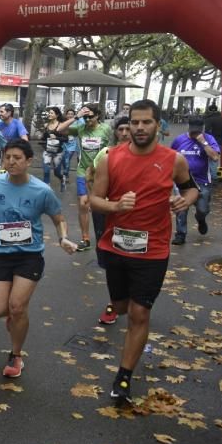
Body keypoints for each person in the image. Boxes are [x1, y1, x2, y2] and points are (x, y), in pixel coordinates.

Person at [89, 99, 199, 405]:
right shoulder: (110, 158)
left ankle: (123, 376)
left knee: (140, 313)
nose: (139, 128)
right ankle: (118, 310)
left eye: (146, 122)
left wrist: (186, 201)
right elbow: (94, 200)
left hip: (153, 250)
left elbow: (192, 188)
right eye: (135, 122)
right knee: (121, 306)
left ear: (158, 126)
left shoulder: (173, 159)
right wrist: (115, 205)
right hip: (116, 245)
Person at [0, 140, 77, 378]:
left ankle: (16, 354)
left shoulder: (42, 190)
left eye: (17, 158)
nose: (11, 162)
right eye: (7, 157)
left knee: (17, 307)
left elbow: (58, 217)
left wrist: (63, 238)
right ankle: (14, 317)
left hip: (28, 255)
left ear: (29, 161)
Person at [56, 102, 111, 250]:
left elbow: (115, 148)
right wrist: (76, 117)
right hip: (82, 171)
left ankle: (105, 236)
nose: (87, 121)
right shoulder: (80, 128)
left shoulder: (106, 129)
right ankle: (85, 239)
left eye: (90, 117)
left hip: (101, 173)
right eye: (85, 118)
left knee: (102, 207)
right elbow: (60, 129)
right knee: (83, 204)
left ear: (98, 116)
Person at [93, 116, 132, 325]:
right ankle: (115, 300)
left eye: (128, 128)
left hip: (134, 216)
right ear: (115, 132)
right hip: (107, 212)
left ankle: (129, 300)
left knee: (131, 256)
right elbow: (91, 176)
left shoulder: (144, 156)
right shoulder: (105, 154)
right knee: (110, 257)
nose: (125, 133)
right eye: (121, 129)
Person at [170, 116, 220, 245]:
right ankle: (180, 235)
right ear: (188, 127)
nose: (195, 133)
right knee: (181, 207)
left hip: (202, 181)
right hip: (183, 181)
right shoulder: (179, 140)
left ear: (203, 128)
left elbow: (215, 157)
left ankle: (201, 219)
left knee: (203, 209)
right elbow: (170, 157)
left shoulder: (208, 139)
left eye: (198, 130)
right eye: (193, 130)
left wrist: (203, 142)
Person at [40, 107, 67, 191]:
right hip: (47, 151)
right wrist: (42, 136)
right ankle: (46, 189)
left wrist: (57, 138)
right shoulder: (46, 125)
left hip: (58, 152)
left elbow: (66, 139)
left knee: (56, 172)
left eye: (51, 113)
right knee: (46, 171)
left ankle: (62, 178)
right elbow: (44, 138)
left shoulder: (61, 125)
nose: (49, 114)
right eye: (49, 113)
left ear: (57, 115)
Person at [203, 104, 222, 180]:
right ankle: (213, 177)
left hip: (211, 143)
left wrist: (205, 143)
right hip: (220, 142)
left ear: (209, 110)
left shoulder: (208, 119)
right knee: (215, 160)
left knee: (210, 161)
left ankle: (213, 178)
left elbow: (207, 132)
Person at [60, 108, 79, 180]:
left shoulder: (77, 122)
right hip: (63, 144)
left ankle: (65, 175)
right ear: (66, 115)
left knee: (67, 159)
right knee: (63, 160)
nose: (70, 115)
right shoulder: (63, 122)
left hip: (72, 144)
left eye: (72, 114)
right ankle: (66, 172)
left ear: (74, 115)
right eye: (69, 114)